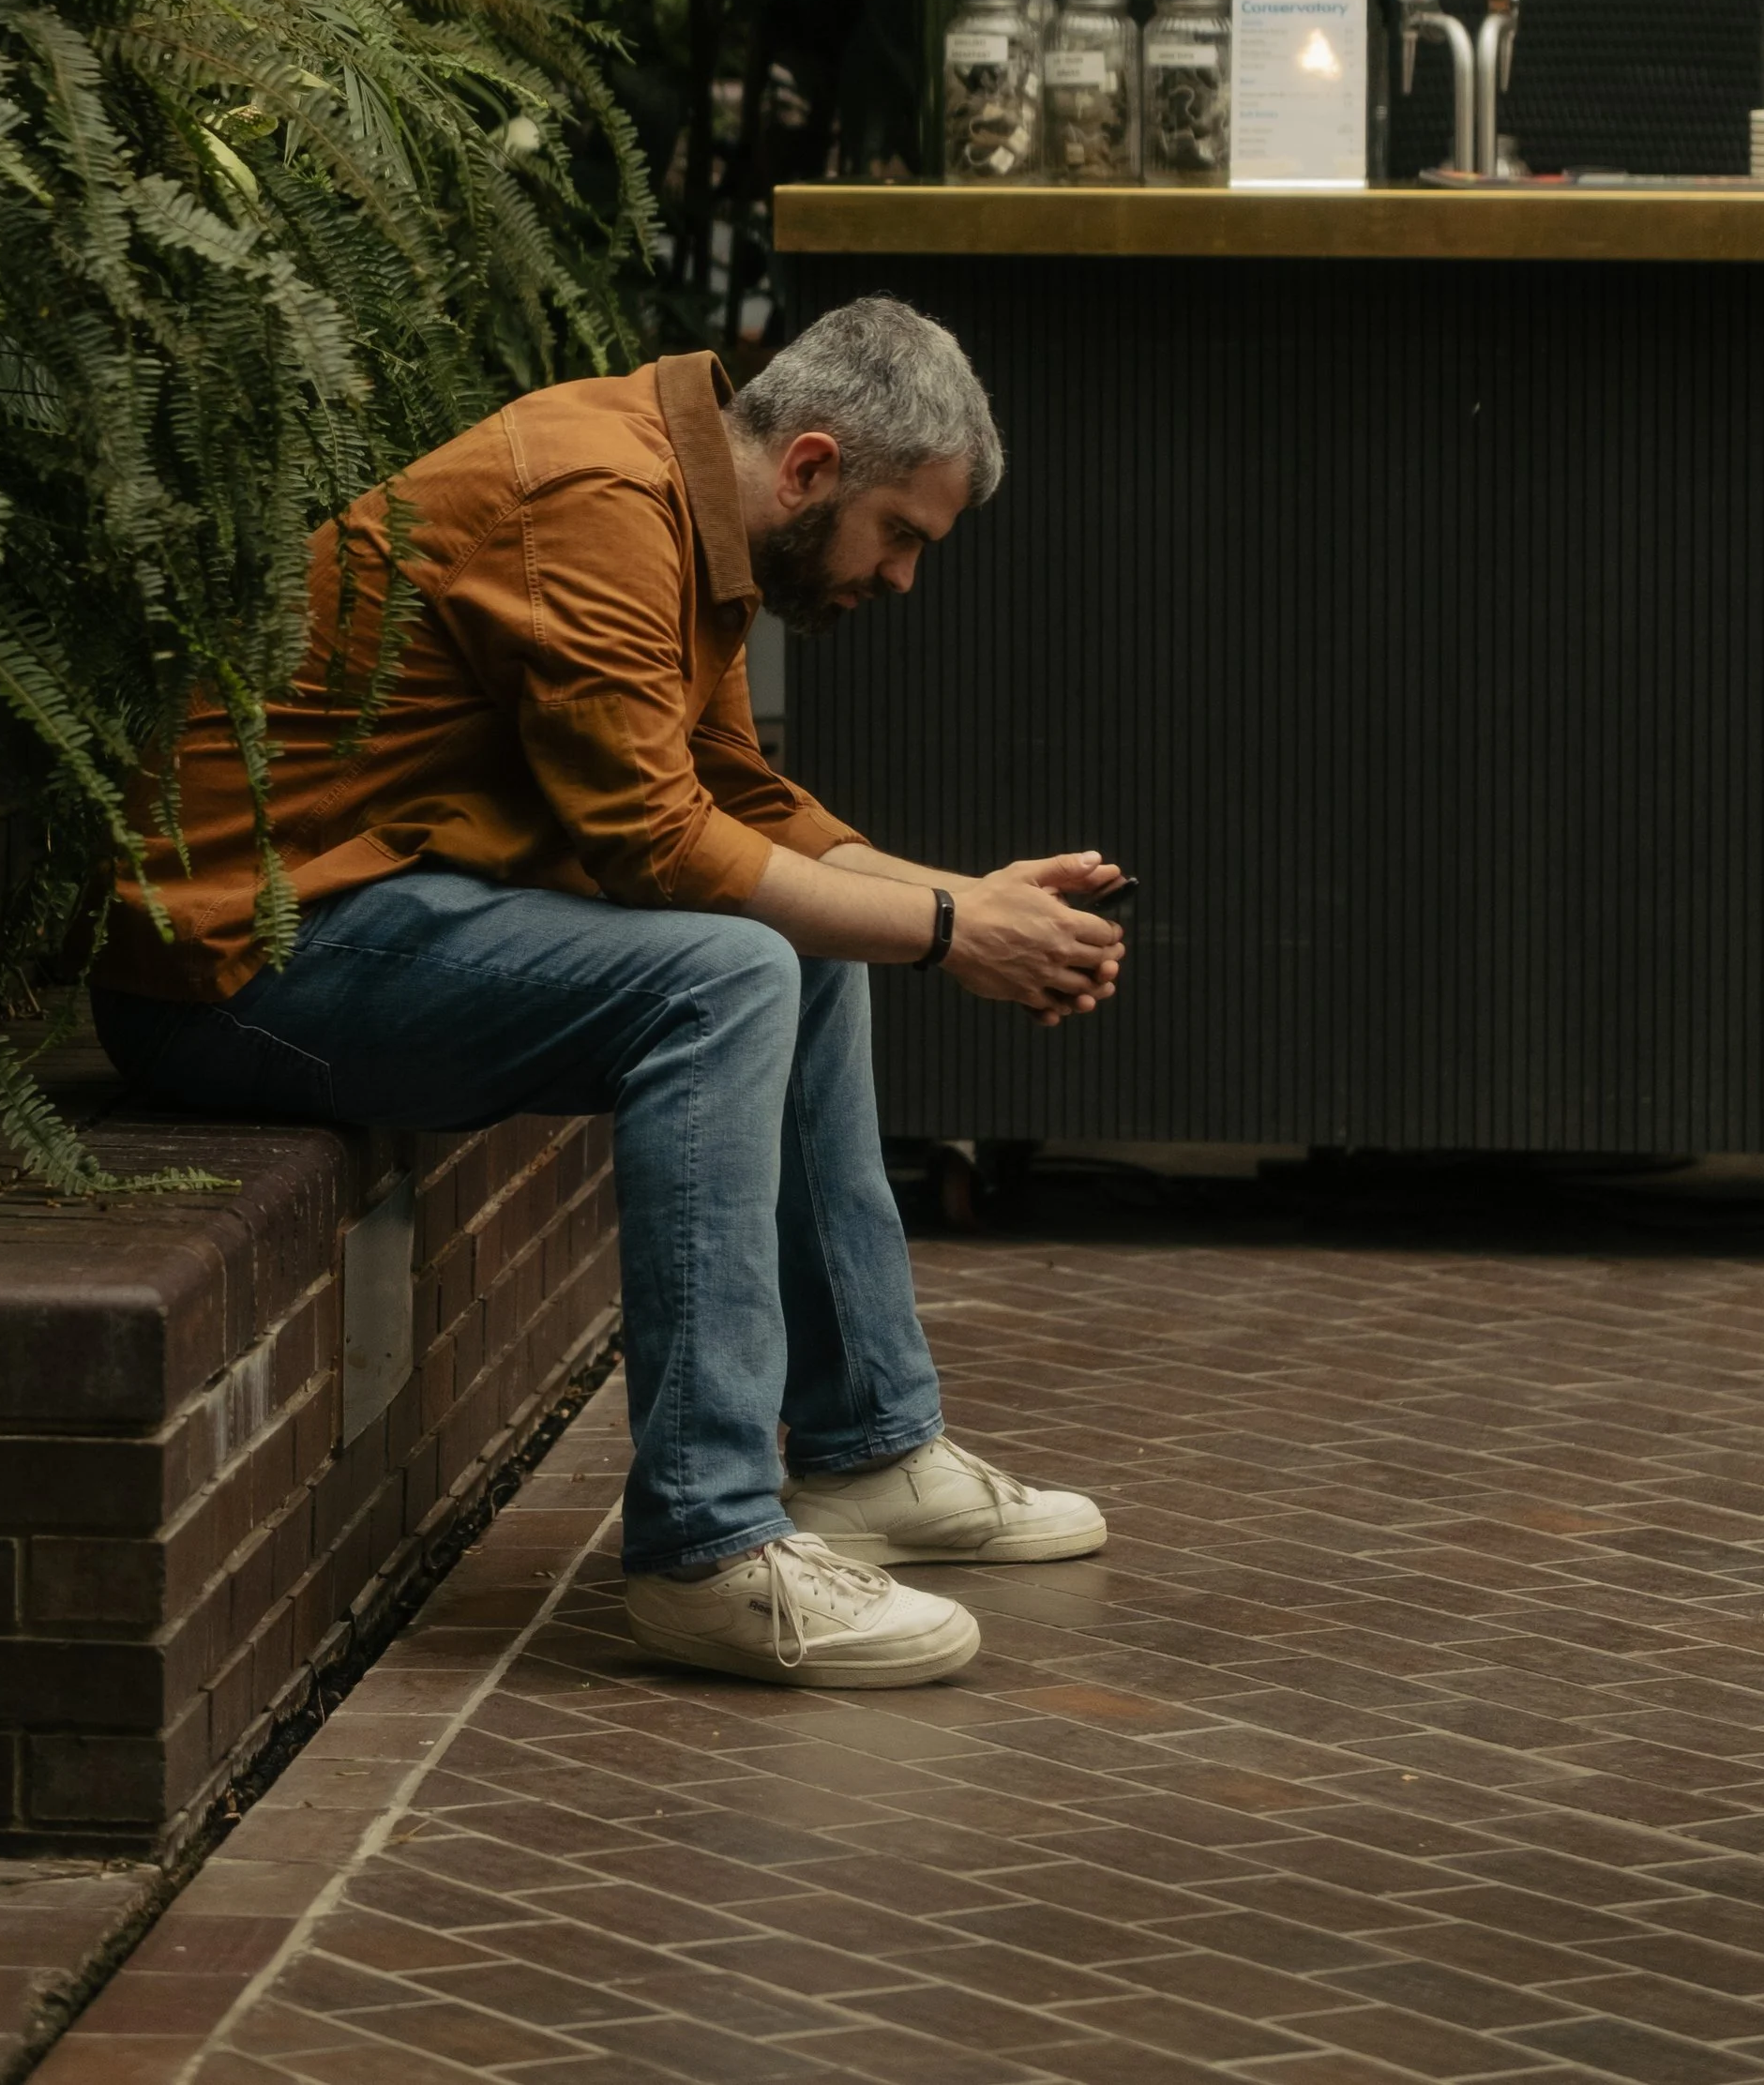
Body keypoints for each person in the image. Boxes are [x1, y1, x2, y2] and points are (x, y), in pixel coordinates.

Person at [91, 295, 1129, 1689]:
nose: (901, 582)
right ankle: (703, 1547)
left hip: (369, 910)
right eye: (903, 538)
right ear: (812, 466)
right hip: (237, 961)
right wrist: (950, 932)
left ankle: (869, 1450)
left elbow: (739, 798)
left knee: (805, 946)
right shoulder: (598, 499)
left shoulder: (679, 488)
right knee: (729, 971)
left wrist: (966, 898)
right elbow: (659, 845)